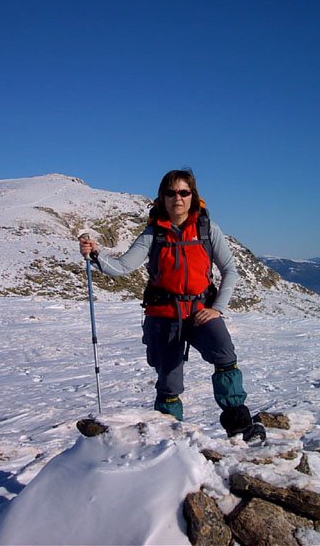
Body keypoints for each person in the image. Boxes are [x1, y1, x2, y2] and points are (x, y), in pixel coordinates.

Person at [78, 169, 265, 442]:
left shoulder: (206, 229)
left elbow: (230, 270)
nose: (177, 198)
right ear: (162, 198)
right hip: (163, 315)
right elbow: (123, 266)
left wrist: (217, 308)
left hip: (201, 312)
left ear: (193, 196)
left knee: (225, 356)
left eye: (183, 192)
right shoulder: (154, 233)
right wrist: (95, 255)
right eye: (171, 192)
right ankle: (170, 440)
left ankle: (239, 426)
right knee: (169, 382)